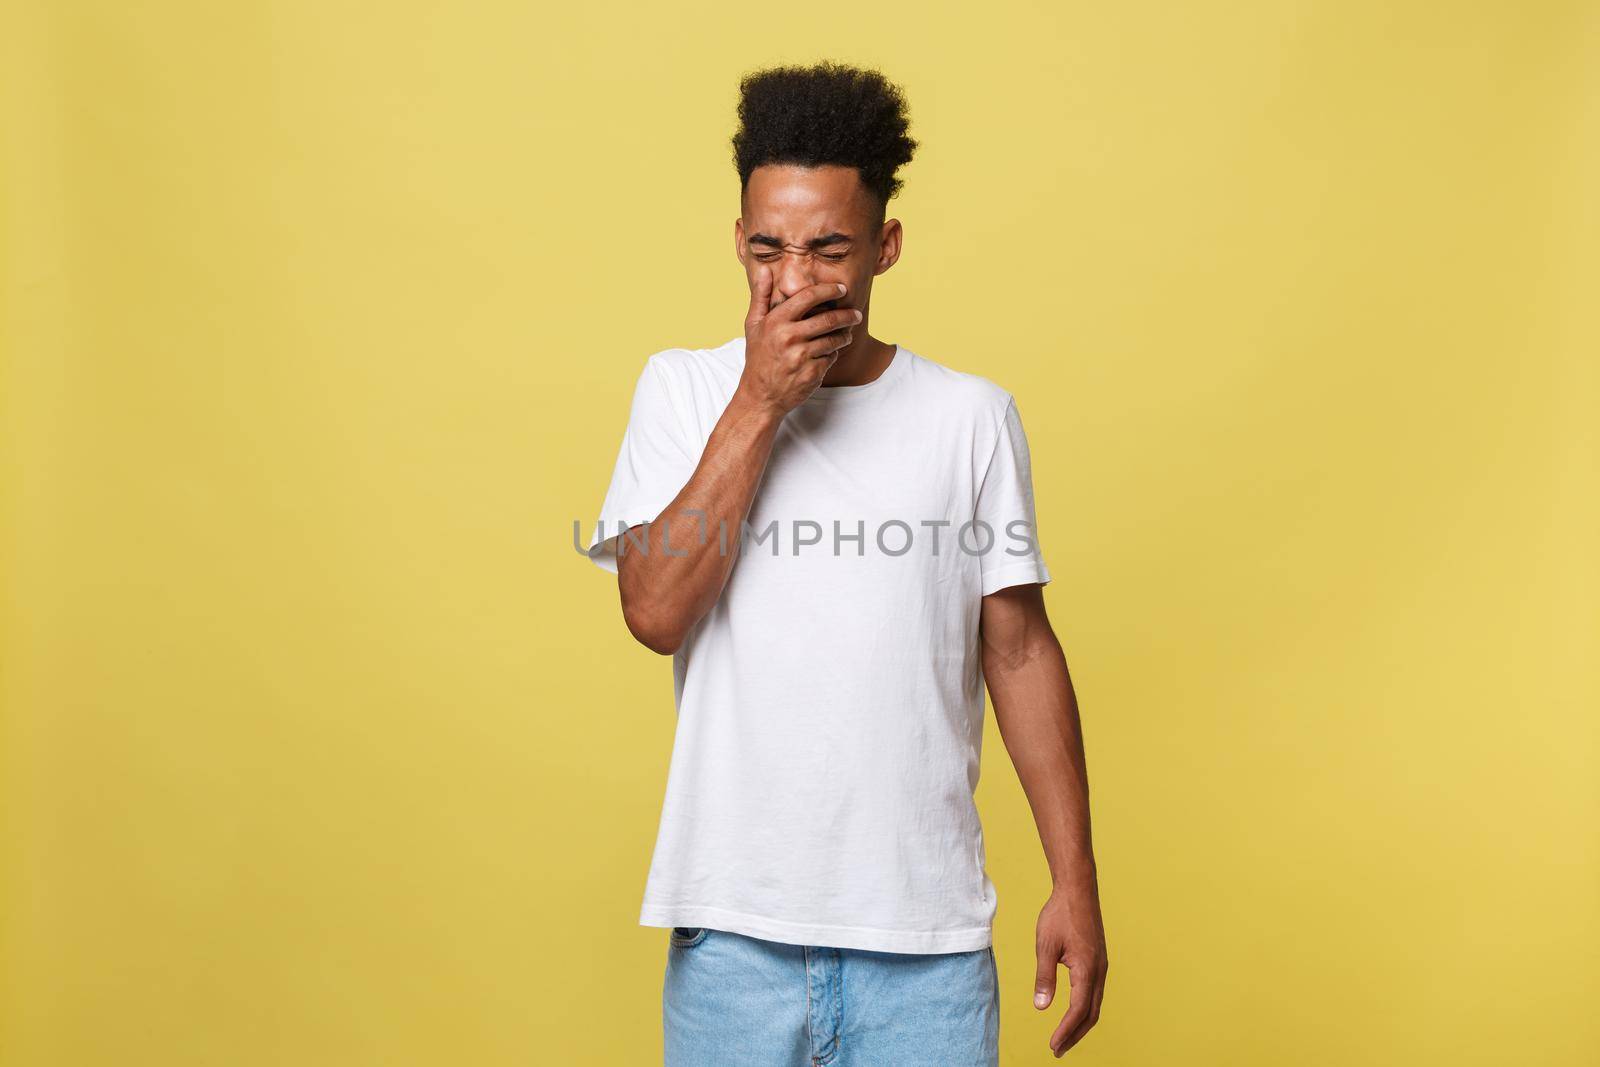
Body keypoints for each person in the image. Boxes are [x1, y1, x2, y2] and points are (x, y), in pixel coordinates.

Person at [586, 61, 1107, 1065]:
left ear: (884, 247)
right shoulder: (684, 393)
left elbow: (1019, 653)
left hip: (926, 952)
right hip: (732, 935)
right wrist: (759, 402)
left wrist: (1074, 883)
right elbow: (653, 612)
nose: (795, 280)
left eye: (829, 249)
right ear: (740, 243)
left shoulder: (968, 417)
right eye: (770, 249)